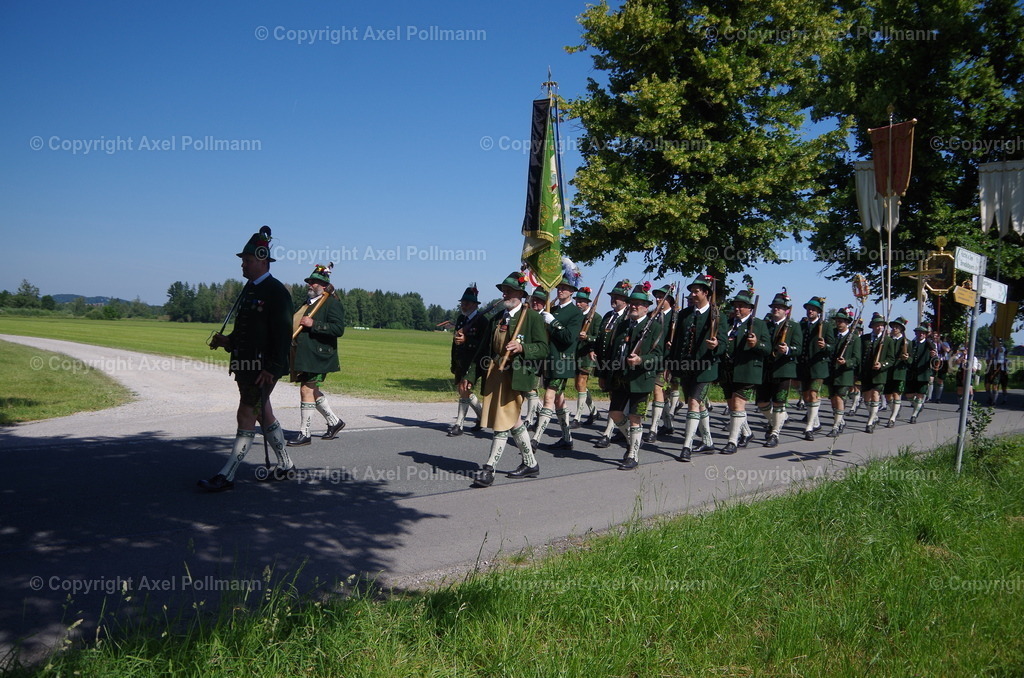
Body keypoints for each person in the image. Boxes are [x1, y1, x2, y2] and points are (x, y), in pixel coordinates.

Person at [199, 226, 294, 492]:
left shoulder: (276, 292)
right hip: (245, 365)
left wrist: (273, 369)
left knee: (246, 413)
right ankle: (286, 464)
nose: (243, 264)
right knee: (263, 413)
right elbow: (249, 330)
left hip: (262, 368)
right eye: (243, 260)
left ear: (262, 260)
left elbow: (283, 335)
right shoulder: (249, 289)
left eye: (247, 260)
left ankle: (227, 475)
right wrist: (228, 341)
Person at [462, 272, 549, 488]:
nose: (505, 293)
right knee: (512, 420)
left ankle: (489, 468)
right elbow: (483, 349)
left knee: (502, 421)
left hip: (518, 376)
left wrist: (523, 347)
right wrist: (470, 376)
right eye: (504, 290)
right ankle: (530, 463)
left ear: (520, 293)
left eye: (509, 290)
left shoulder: (532, 318)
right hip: (495, 374)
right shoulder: (497, 318)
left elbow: (543, 348)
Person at [599, 283, 663, 469]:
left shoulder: (655, 327)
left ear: (647, 306)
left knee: (635, 417)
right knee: (615, 413)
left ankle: (632, 454)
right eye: (632, 302)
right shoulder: (622, 325)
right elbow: (612, 352)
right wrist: (604, 373)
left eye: (638, 303)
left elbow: (659, 357)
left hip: (641, 380)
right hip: (620, 378)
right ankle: (634, 439)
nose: (634, 306)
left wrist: (641, 360)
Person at [668, 275, 726, 460]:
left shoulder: (716, 315)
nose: (692, 294)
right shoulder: (685, 314)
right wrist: (671, 364)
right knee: (698, 405)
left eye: (696, 291)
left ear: (706, 293)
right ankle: (708, 441)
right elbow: (677, 342)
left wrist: (716, 345)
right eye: (691, 291)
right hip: (685, 367)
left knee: (693, 403)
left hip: (705, 368)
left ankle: (687, 445)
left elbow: (724, 342)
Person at [288, 263, 346, 446]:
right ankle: (334, 422)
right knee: (311, 390)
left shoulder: (331, 303)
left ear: (323, 285)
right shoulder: (307, 303)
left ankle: (305, 433)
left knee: (306, 389)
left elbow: (338, 329)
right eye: (309, 282)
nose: (309, 285)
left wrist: (315, 325)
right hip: (303, 354)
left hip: (319, 355)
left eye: (313, 282)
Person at [532, 280, 585, 451]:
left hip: (563, 362)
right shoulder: (551, 309)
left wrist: (553, 322)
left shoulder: (576, 313)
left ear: (571, 292)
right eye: (559, 287)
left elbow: (569, 337)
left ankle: (535, 439)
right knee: (559, 401)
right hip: (548, 361)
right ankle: (567, 438)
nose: (560, 290)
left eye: (565, 288)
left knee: (548, 398)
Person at [720, 289, 769, 454]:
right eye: (735, 305)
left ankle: (732, 441)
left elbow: (767, 348)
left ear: (750, 308)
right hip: (727, 370)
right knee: (732, 404)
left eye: (741, 306)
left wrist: (756, 343)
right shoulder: (728, 323)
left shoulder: (759, 324)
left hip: (746, 370)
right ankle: (747, 433)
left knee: (738, 403)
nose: (737, 309)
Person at [756, 291, 802, 448]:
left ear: (786, 310)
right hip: (765, 369)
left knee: (779, 403)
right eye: (774, 307)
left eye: (780, 307)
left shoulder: (794, 326)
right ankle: (773, 421)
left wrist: (788, 349)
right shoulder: (764, 325)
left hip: (783, 369)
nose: (776, 309)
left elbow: (799, 348)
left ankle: (775, 433)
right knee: (761, 402)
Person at [593, 280, 632, 448]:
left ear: (625, 300)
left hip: (621, 365)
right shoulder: (609, 316)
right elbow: (601, 338)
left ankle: (608, 433)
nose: (614, 299)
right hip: (605, 363)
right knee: (613, 400)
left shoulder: (628, 317)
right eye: (613, 296)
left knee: (615, 402)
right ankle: (624, 431)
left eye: (618, 297)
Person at [448, 283, 487, 436]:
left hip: (474, 361)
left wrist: (467, 340)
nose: (463, 305)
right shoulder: (461, 319)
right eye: (462, 303)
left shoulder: (482, 321)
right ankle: (482, 416)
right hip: (461, 360)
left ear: (474, 304)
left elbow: (484, 344)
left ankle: (459, 424)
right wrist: (453, 361)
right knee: (463, 390)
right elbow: (455, 342)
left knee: (464, 389)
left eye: (466, 303)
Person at [644, 284, 680, 443]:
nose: (658, 299)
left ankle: (653, 428)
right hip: (651, 359)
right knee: (661, 394)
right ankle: (668, 424)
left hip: (667, 360)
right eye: (657, 296)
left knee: (657, 389)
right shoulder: (652, 315)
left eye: (661, 297)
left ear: (669, 300)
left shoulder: (676, 317)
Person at [797, 296, 833, 441]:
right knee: (805, 396)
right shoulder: (802, 325)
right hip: (804, 366)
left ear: (818, 311)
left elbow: (833, 346)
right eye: (808, 309)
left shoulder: (826, 326)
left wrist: (825, 346)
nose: (810, 311)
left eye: (813, 309)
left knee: (813, 393)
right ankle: (816, 422)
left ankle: (809, 427)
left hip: (818, 367)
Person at [825, 310, 861, 437]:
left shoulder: (854, 338)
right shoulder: (832, 335)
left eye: (841, 321)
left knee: (839, 398)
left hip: (844, 373)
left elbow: (857, 358)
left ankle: (835, 426)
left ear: (847, 323)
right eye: (837, 321)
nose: (838, 323)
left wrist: (846, 362)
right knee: (833, 399)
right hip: (831, 372)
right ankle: (841, 421)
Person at [859, 312, 895, 433]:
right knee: (866, 398)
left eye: (881, 325)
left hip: (879, 374)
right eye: (877, 325)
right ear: (872, 326)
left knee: (875, 395)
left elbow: (891, 359)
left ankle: (869, 422)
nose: (879, 327)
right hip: (866, 373)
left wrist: (882, 364)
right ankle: (874, 416)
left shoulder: (888, 340)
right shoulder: (864, 339)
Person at [571, 287, 600, 428]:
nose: (578, 304)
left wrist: (588, 337)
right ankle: (594, 411)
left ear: (587, 302)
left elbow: (599, 338)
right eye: (577, 300)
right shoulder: (576, 315)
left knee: (582, 383)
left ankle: (577, 417)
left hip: (588, 354)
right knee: (578, 385)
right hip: (576, 353)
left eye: (581, 301)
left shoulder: (597, 317)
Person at [905, 324, 936, 424]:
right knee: (909, 395)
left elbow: (935, 360)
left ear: (926, 335)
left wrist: (933, 356)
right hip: (912, 373)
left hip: (923, 373)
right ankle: (918, 405)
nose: (920, 335)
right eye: (918, 333)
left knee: (920, 395)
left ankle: (914, 415)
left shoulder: (929, 345)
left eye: (923, 333)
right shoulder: (912, 344)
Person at [883, 317, 910, 428]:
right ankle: (895, 409)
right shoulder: (887, 340)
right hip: (888, 371)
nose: (894, 328)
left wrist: (906, 358)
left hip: (899, 371)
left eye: (897, 327)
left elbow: (911, 359)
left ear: (901, 329)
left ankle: (892, 418)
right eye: (893, 326)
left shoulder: (907, 342)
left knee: (896, 394)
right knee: (888, 395)